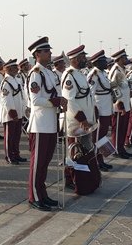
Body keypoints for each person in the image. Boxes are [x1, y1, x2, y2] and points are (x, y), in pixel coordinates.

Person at [26, 37, 67, 211]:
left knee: (45, 163)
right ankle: (34, 196)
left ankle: (42, 194)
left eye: (49, 51)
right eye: (47, 51)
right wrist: (56, 101)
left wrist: (60, 103)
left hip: (51, 123)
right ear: (38, 54)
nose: (50, 53)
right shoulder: (36, 73)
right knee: (38, 163)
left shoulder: (49, 72)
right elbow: (35, 100)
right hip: (40, 124)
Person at [61, 45, 100, 195]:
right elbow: (69, 101)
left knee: (84, 152)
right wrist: (82, 119)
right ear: (76, 60)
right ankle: (74, 181)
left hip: (86, 122)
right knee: (75, 153)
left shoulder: (80, 74)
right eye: (83, 57)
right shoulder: (69, 76)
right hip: (76, 123)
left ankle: (83, 180)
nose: (86, 59)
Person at [87, 50, 114, 171]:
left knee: (102, 136)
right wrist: (94, 108)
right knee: (97, 136)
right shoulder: (94, 74)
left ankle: (101, 159)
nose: (106, 63)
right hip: (100, 108)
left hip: (106, 107)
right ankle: (96, 161)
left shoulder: (102, 73)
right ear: (97, 62)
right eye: (103, 61)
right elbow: (90, 93)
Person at [109, 49, 132, 159]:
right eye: (124, 58)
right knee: (118, 129)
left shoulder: (121, 69)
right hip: (120, 105)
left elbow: (123, 85)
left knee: (123, 128)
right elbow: (114, 87)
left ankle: (121, 148)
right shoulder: (115, 70)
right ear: (119, 59)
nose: (126, 60)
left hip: (125, 103)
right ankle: (117, 149)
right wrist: (119, 103)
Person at [0, 59, 25, 165]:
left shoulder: (15, 80)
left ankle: (16, 154)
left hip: (18, 112)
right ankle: (9, 156)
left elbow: (21, 96)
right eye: (14, 68)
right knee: (9, 137)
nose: (16, 69)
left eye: (16, 67)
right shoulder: (6, 82)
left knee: (16, 136)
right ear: (8, 69)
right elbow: (6, 100)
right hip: (11, 114)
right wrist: (13, 113)